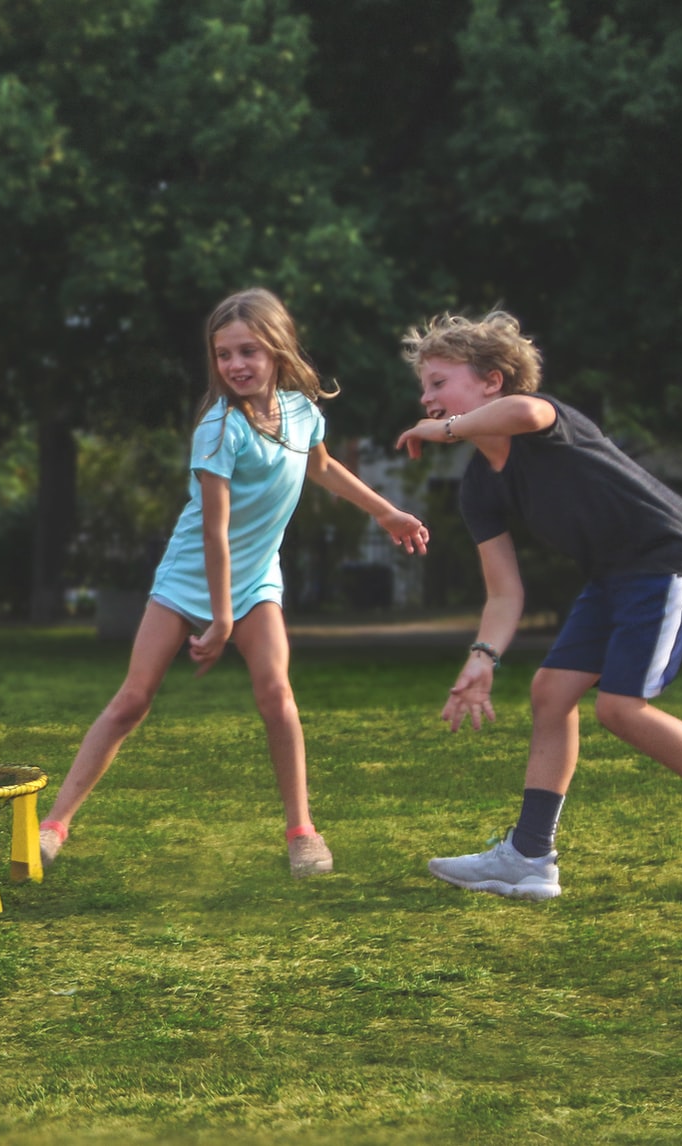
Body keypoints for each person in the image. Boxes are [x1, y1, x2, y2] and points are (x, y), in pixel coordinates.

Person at [38, 288, 430, 877]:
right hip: (190, 575)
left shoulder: (301, 411)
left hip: (255, 579)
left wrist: (384, 511)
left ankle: (303, 834)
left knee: (277, 695)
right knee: (133, 699)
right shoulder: (219, 429)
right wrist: (219, 620)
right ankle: (53, 826)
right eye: (224, 355)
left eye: (248, 351)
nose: (236, 365)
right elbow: (213, 534)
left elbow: (319, 466)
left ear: (276, 350)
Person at [395, 311, 682, 902]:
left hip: (664, 555)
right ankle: (529, 856)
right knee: (551, 692)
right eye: (425, 387)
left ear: (491, 380)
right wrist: (483, 657)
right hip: (613, 575)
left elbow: (525, 410)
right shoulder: (478, 486)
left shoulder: (542, 418)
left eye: (439, 382)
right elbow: (505, 591)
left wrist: (440, 429)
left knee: (619, 708)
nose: (427, 398)